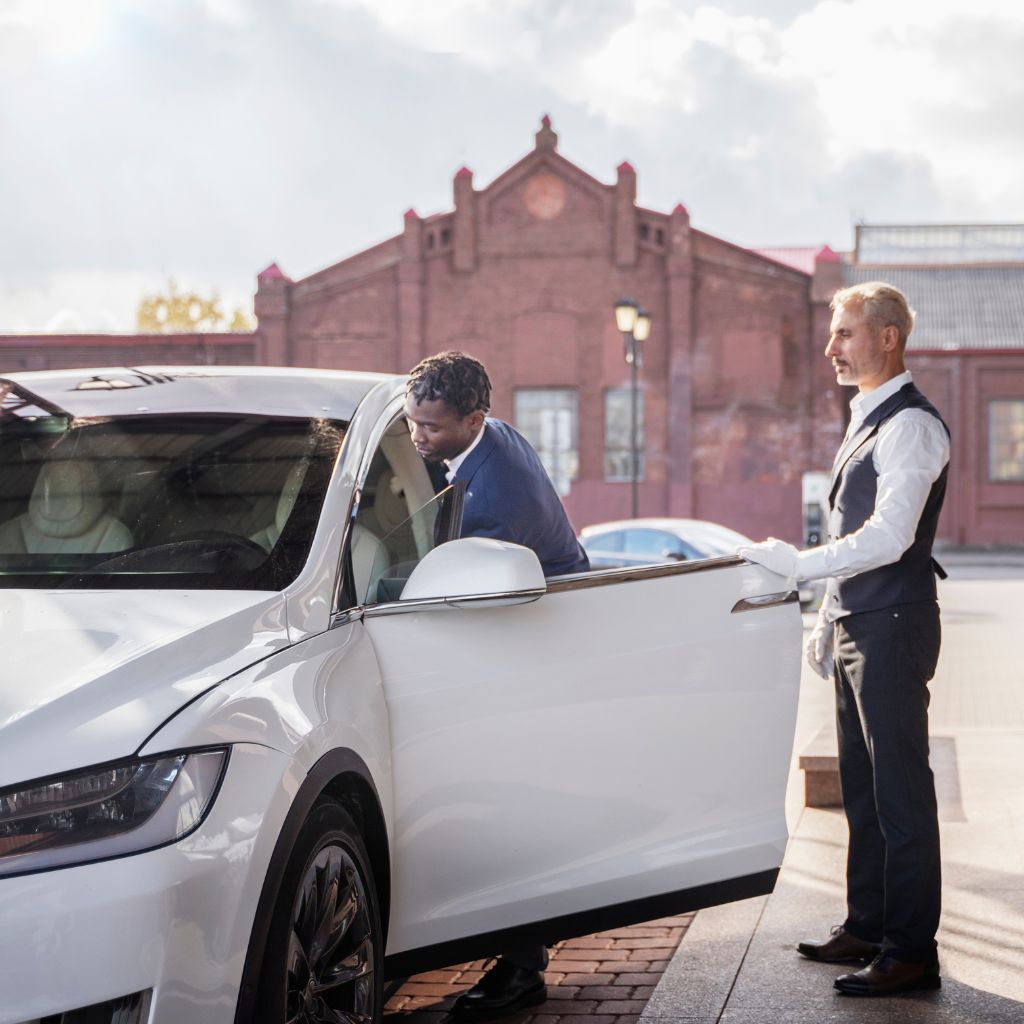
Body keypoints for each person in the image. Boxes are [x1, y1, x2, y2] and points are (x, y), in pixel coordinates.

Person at [738, 282, 950, 997]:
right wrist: (829, 618)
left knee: (900, 794)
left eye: (845, 333)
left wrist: (800, 567)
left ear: (888, 337)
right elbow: (850, 530)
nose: (831, 347)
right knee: (862, 787)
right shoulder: (869, 417)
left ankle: (910, 951)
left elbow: (889, 537)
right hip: (861, 622)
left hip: (893, 624)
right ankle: (868, 924)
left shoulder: (910, 425)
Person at [404, 350, 589, 1020]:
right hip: (522, 640)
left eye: (430, 426)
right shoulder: (486, 439)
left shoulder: (497, 498)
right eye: (413, 420)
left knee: (508, 805)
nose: (417, 435)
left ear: (474, 419)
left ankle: (522, 967)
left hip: (533, 649)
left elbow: (462, 590)